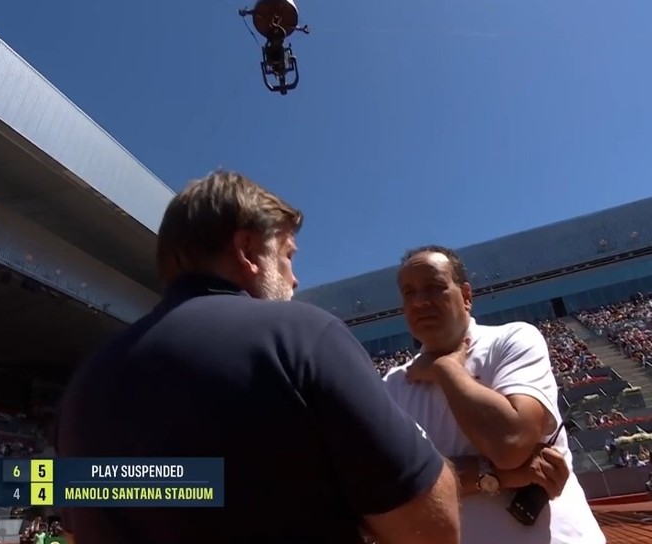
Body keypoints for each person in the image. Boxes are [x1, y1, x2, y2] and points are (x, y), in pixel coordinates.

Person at [54, 171, 461, 544]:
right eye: (287, 254)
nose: (295, 277)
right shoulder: (300, 336)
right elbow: (434, 528)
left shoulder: (82, 388)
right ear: (248, 250)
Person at [383, 246, 605, 544]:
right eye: (408, 292)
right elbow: (393, 488)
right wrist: (496, 475)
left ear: (466, 296)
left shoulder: (513, 340)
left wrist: (445, 370)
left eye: (434, 287)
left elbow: (510, 443)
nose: (420, 301)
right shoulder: (392, 385)